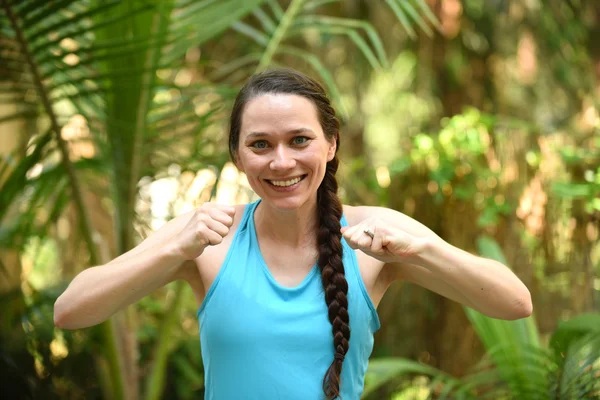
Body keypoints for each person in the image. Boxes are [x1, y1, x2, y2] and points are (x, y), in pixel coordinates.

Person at [54, 68, 532, 400]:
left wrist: (422, 249)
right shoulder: (206, 237)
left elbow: (513, 303)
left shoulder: (373, 235)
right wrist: (174, 250)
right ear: (239, 158)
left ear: (331, 142)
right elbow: (71, 311)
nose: (281, 162)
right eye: (260, 145)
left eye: (299, 140)